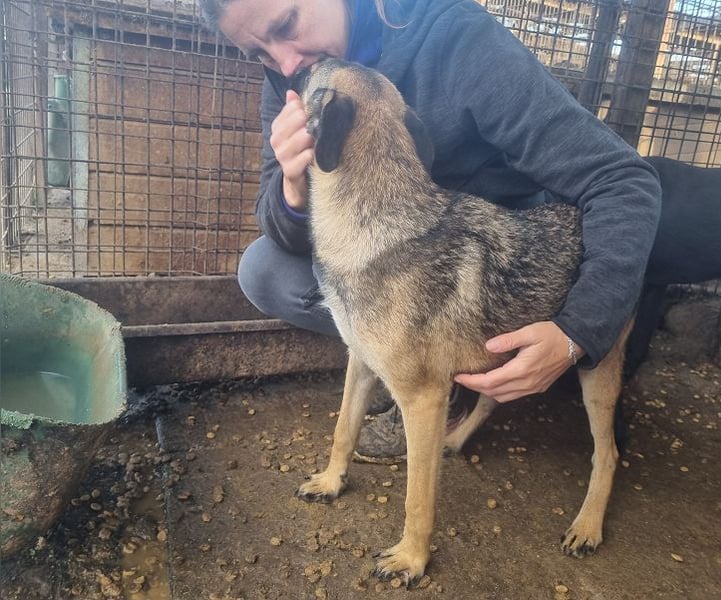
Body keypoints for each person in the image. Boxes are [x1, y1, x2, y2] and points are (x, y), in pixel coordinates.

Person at [198, 0, 661, 462]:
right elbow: (276, 218)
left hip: (500, 247)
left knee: (633, 245)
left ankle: (454, 364)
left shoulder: (455, 35)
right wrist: (293, 187)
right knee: (264, 270)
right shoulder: (294, 76)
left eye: (287, 25)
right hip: (400, 246)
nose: (285, 62)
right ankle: (428, 369)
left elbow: (622, 180)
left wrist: (577, 331)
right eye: (258, 52)